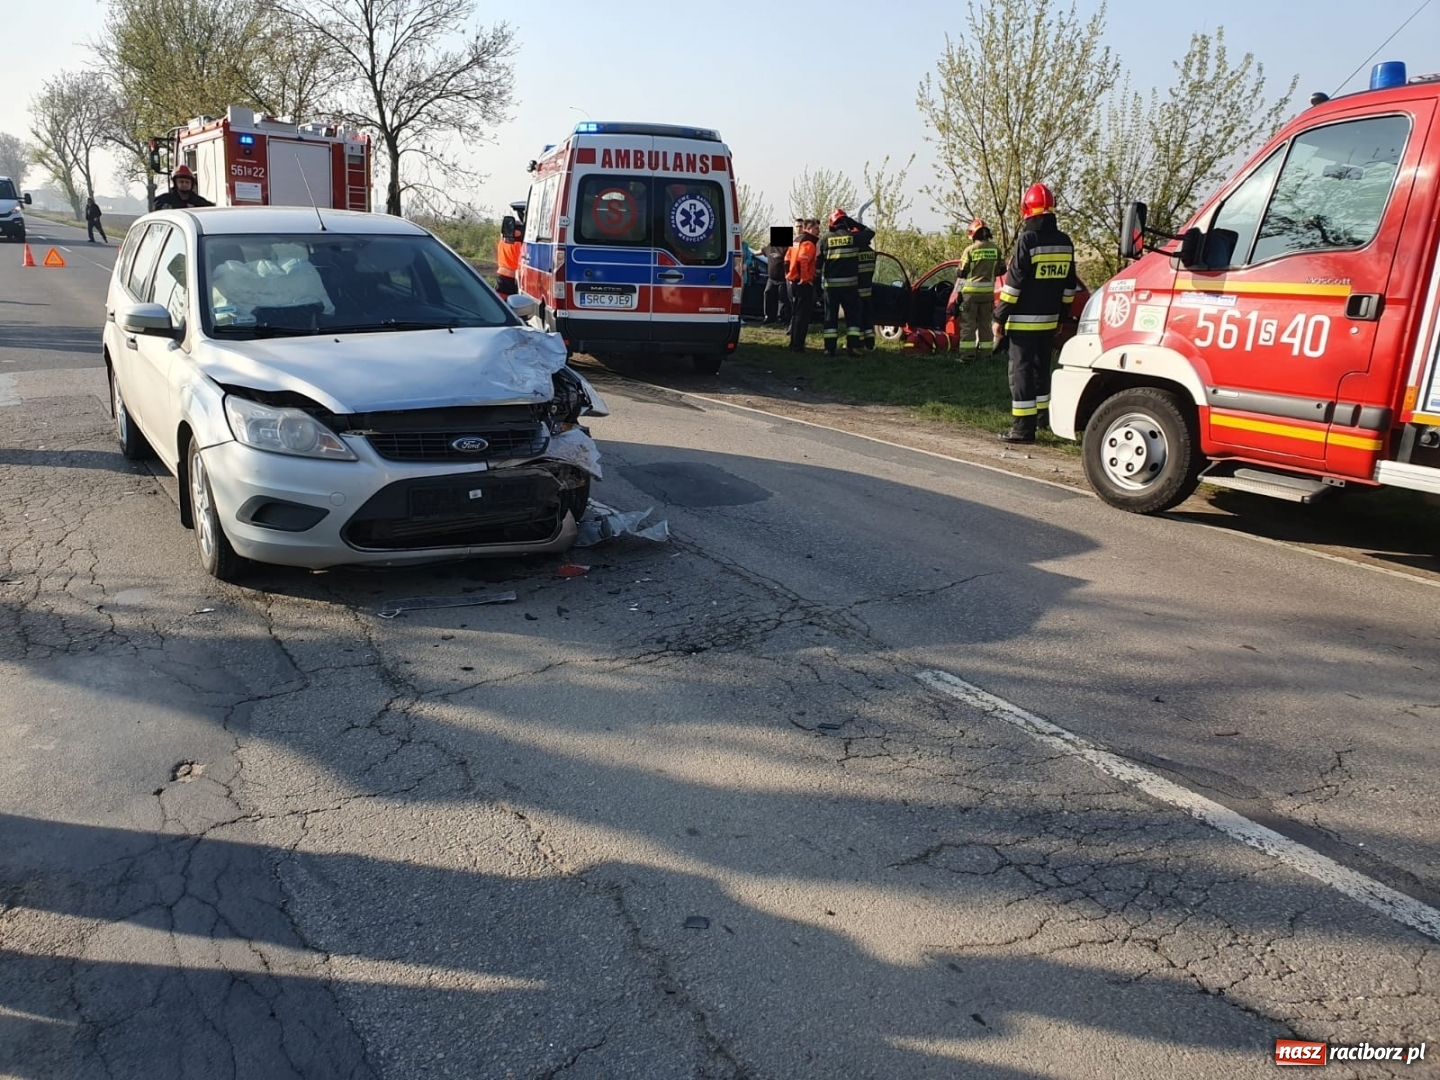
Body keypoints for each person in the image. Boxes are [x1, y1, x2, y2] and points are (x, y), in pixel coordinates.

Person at [992, 183, 1078, 444]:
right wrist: (1062, 317)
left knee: (1021, 373)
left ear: (1027, 210)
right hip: (1050, 322)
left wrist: (999, 317)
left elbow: (1013, 285)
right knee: (1042, 370)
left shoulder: (1027, 241)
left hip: (1022, 324)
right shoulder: (1065, 242)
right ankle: (1042, 420)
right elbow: (1069, 286)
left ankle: (1022, 429)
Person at [820, 208, 873, 357]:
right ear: (846, 222)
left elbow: (818, 264)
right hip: (850, 286)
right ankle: (853, 347)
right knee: (853, 317)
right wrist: (853, 222)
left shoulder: (825, 239)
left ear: (831, 223)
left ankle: (829, 349)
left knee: (830, 317)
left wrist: (817, 285)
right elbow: (870, 232)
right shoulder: (853, 237)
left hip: (831, 287)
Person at [947, 219, 1002, 357]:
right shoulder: (996, 249)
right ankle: (986, 355)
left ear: (973, 234)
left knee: (968, 326)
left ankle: (967, 355)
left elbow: (961, 272)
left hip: (970, 296)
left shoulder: (970, 250)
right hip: (988, 296)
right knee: (985, 326)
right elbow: (1002, 270)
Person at [784, 217, 818, 352]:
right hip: (803, 283)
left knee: (795, 314)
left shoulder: (796, 240)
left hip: (793, 281)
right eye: (816, 228)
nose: (818, 231)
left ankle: (793, 343)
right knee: (803, 316)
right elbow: (802, 260)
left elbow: (787, 259)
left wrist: (789, 275)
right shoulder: (809, 242)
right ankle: (798, 346)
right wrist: (805, 279)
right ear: (808, 229)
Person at [854, 222, 876, 351]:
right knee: (868, 318)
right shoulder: (872, 252)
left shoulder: (855, 252)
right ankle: (870, 344)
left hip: (856, 291)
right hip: (868, 290)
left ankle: (859, 343)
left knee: (857, 319)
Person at [763, 231, 791, 325]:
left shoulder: (787, 248)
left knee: (783, 299)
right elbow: (760, 251)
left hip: (783, 279)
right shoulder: (770, 247)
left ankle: (783, 319)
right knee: (768, 295)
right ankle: (769, 317)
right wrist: (752, 254)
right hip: (771, 279)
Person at [494, 219, 522, 296]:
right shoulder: (520, 239)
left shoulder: (503, 238)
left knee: (500, 303)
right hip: (515, 277)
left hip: (502, 275)